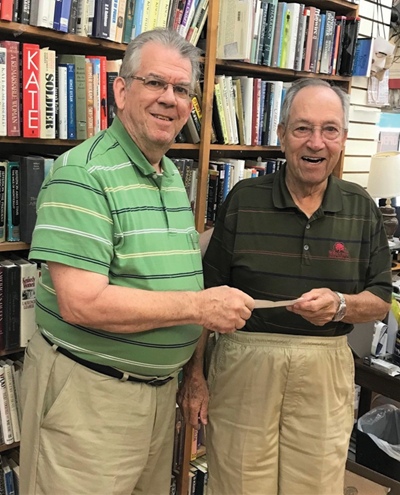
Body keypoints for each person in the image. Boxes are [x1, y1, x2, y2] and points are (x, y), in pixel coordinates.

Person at [20, 29, 254, 495]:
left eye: (181, 89)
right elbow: (81, 305)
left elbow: (169, 275)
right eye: (155, 83)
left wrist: (191, 374)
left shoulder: (167, 174)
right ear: (121, 90)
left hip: (155, 397)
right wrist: (198, 308)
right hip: (90, 398)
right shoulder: (82, 174)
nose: (169, 99)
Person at [178, 78, 392, 495]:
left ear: (344, 138)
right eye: (302, 128)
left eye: (329, 129)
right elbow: (207, 297)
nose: (316, 142)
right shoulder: (243, 199)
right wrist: (196, 375)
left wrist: (341, 305)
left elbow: (380, 300)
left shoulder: (362, 207)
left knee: (314, 486)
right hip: (244, 366)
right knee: (237, 484)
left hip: (324, 370)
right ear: (281, 136)